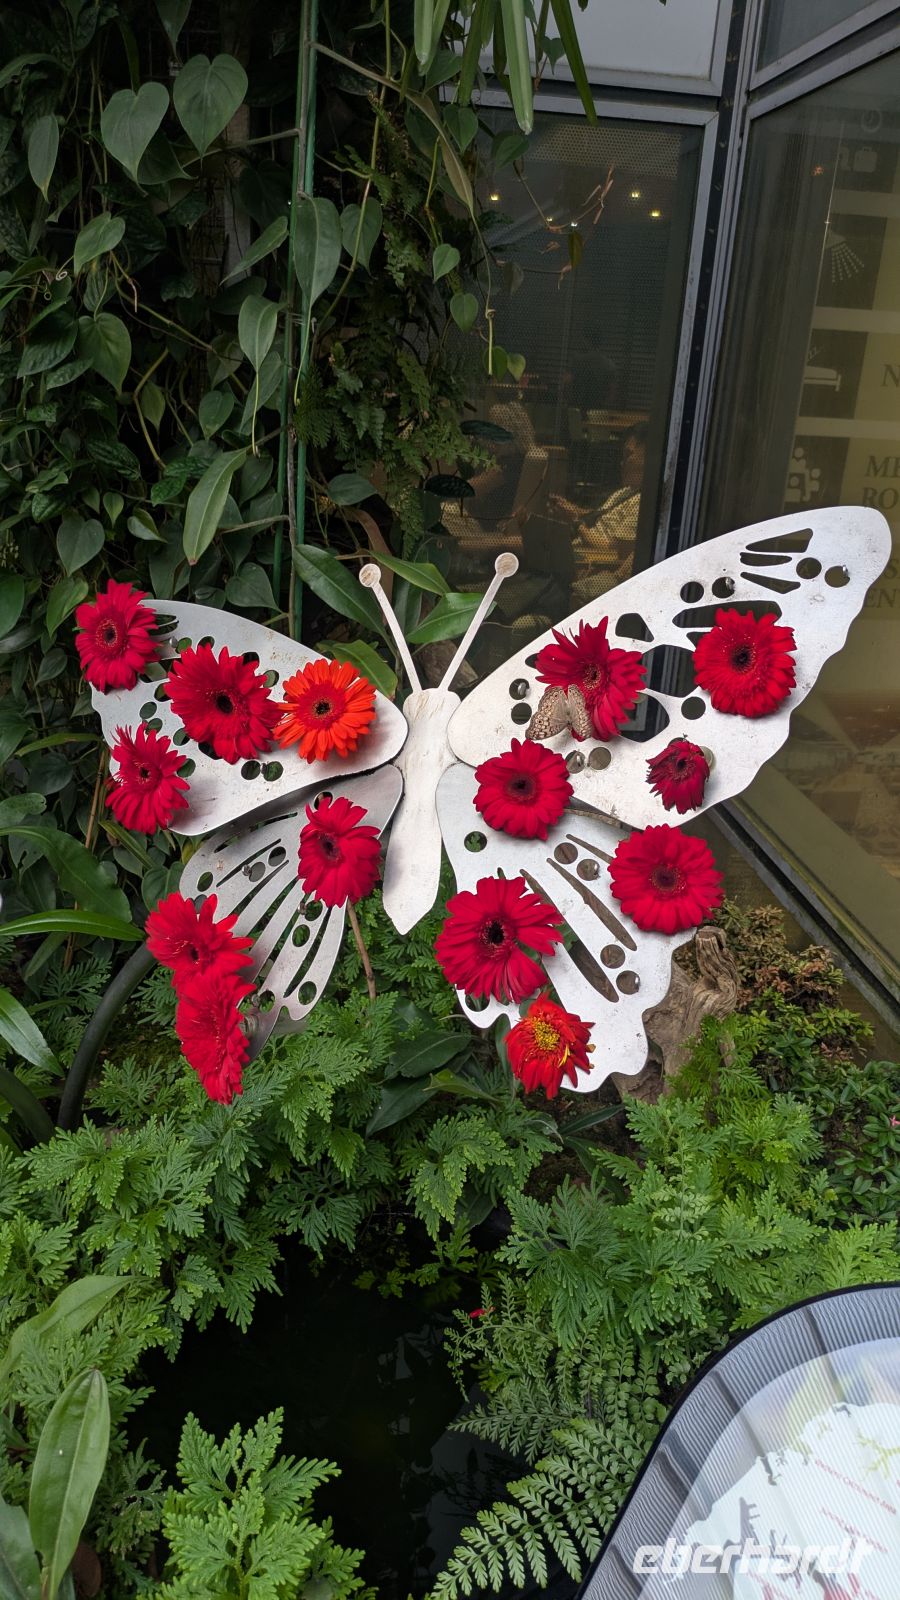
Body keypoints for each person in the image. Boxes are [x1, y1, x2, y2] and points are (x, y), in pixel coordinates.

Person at [548, 421, 647, 605]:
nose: (622, 462)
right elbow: (604, 516)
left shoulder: (644, 502)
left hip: (588, 562)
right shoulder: (627, 492)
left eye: (628, 455)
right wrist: (571, 510)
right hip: (577, 552)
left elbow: (615, 551)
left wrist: (577, 522)